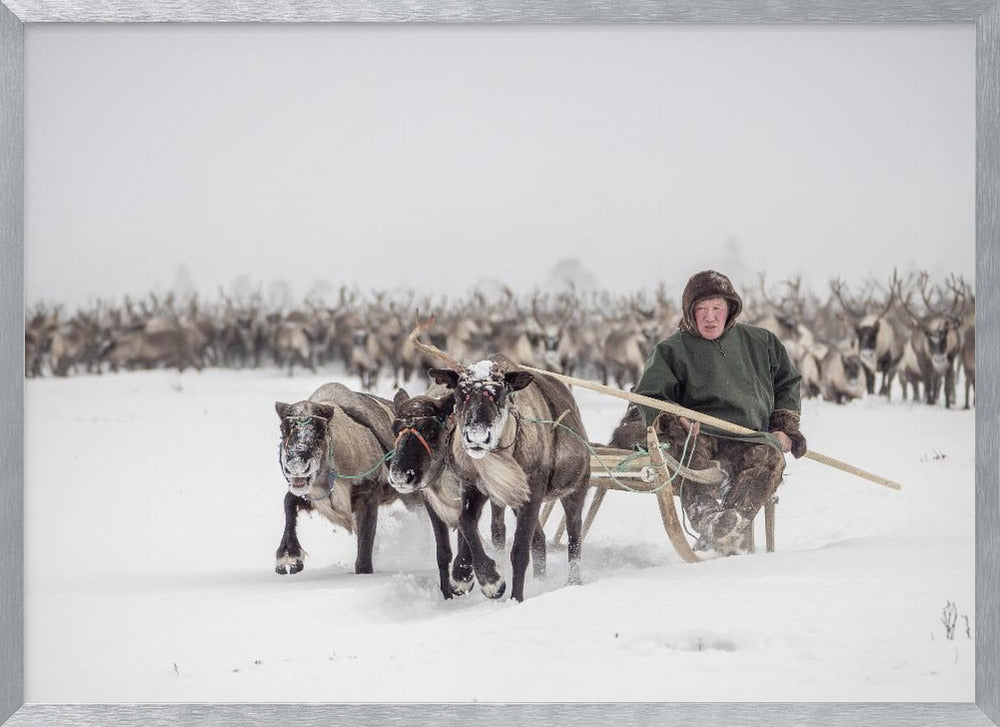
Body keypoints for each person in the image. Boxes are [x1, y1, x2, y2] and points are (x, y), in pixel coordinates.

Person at [633, 270, 807, 555]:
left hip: (749, 436)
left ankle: (729, 524)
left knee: (770, 457)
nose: (710, 317)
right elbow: (650, 396)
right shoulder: (670, 350)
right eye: (701, 309)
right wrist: (675, 418)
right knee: (690, 459)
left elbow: (787, 383)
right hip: (697, 434)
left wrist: (784, 428)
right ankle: (709, 520)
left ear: (730, 309)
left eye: (717, 308)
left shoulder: (762, 342)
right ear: (690, 312)